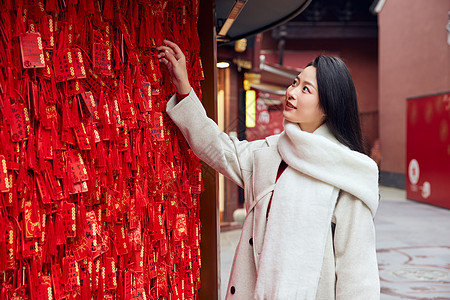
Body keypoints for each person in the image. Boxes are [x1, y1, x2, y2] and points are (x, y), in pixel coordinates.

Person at [157, 40, 380, 300]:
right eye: (295, 82)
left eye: (306, 89)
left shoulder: (347, 173)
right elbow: (219, 149)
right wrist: (184, 87)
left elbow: (357, 275)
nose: (292, 92)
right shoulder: (272, 151)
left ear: (328, 107)